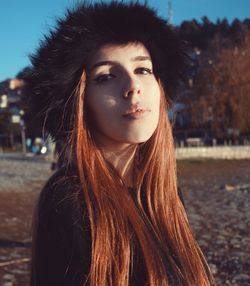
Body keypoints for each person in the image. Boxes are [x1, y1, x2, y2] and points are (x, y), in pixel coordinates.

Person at [27, 2, 215, 285]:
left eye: (143, 69)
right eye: (106, 76)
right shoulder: (69, 201)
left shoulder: (165, 193)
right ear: (80, 101)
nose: (132, 86)